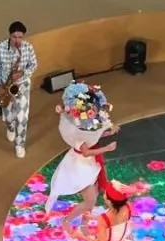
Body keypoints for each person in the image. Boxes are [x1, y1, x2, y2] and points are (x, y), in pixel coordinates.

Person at [45, 83, 116, 214]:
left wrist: (107, 133)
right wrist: (107, 148)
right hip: (81, 166)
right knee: (90, 201)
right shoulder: (80, 129)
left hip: (89, 163)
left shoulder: (87, 126)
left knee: (93, 196)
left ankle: (84, 218)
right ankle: (67, 221)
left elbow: (92, 138)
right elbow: (86, 152)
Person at [0, 21, 38, 158]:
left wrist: (23, 73)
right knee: (8, 118)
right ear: (9, 35)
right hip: (6, 87)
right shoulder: (0, 48)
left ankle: (19, 144)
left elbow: (34, 65)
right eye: (14, 37)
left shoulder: (28, 48)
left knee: (22, 118)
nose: (17, 40)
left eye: (20, 37)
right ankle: (10, 127)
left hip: (22, 86)